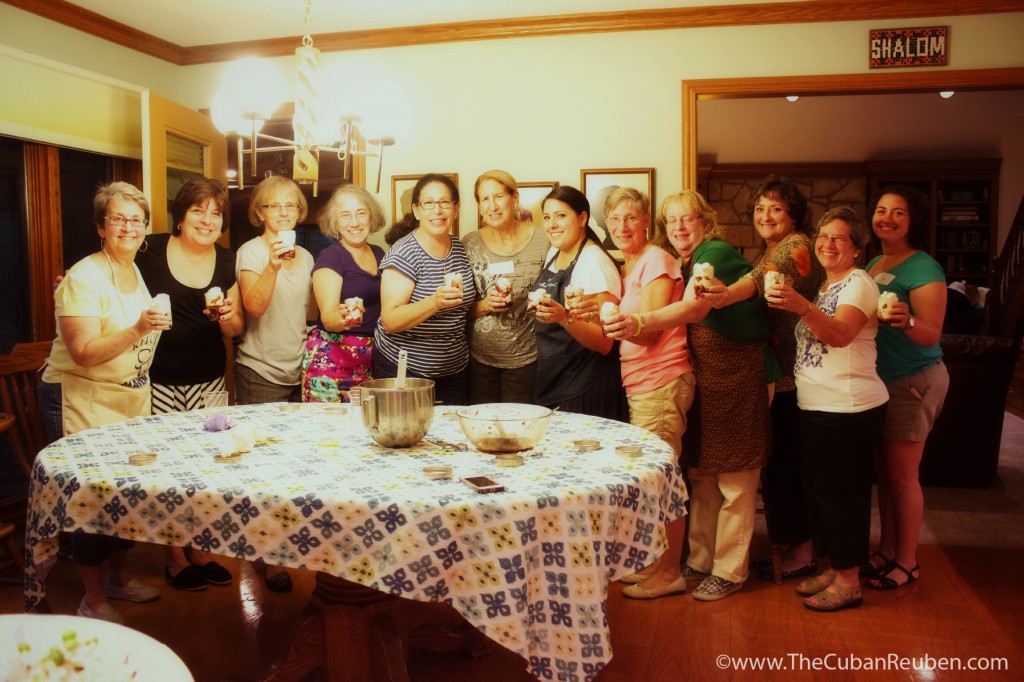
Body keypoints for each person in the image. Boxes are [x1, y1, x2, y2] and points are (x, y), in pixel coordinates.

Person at [607, 190, 771, 601]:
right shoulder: (682, 260)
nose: (680, 227)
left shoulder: (713, 253)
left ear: (706, 222)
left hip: (740, 377)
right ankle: (698, 562)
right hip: (709, 382)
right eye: (672, 220)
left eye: (688, 218)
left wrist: (638, 321)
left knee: (735, 477)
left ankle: (729, 571)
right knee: (701, 475)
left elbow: (695, 311)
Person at [37, 181, 170, 623]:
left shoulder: (135, 269)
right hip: (81, 395)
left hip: (125, 396)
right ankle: (91, 598)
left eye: (137, 219)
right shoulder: (83, 276)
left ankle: (118, 578)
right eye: (118, 219)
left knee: (123, 494)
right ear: (100, 226)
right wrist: (137, 329)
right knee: (91, 496)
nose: (128, 227)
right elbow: (83, 352)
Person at [766, 206, 889, 611]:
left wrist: (800, 306)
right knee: (819, 494)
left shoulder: (859, 283)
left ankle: (850, 581)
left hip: (849, 408)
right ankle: (835, 568)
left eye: (839, 238)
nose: (827, 244)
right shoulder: (826, 286)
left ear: (856, 247)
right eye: (823, 236)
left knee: (843, 497)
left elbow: (840, 335)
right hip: (817, 405)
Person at [703, 175, 825, 580]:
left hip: (796, 375)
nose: (765, 215)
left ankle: (803, 551)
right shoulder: (771, 247)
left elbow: (763, 279)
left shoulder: (797, 246)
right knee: (780, 464)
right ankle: (788, 545)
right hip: (782, 372)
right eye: (759, 208)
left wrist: (723, 295)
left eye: (775, 208)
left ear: (794, 216)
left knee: (791, 465)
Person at [136, 176, 243, 592]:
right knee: (169, 468)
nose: (207, 219)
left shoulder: (226, 260)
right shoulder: (149, 249)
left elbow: (234, 330)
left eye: (216, 213)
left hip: (210, 379)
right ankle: (174, 555)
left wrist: (227, 315)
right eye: (198, 210)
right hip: (158, 378)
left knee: (206, 466)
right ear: (180, 216)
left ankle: (201, 547)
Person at [598, 188, 694, 599]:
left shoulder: (656, 258)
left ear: (645, 221)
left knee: (663, 478)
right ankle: (655, 563)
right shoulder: (630, 265)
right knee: (650, 479)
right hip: (641, 382)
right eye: (615, 219)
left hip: (661, 378)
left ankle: (670, 571)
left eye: (631, 218)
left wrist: (618, 323)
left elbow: (650, 328)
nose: (622, 227)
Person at [863, 185, 949, 590]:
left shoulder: (924, 267)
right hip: (883, 382)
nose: (888, 218)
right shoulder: (877, 260)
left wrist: (906, 320)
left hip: (913, 380)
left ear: (913, 219)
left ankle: (908, 562)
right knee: (886, 471)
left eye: (899, 212)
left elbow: (931, 333)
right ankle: (886, 550)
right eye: (882, 210)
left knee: (902, 475)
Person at [236, 175, 314, 592]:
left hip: (300, 371)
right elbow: (254, 306)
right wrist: (272, 264)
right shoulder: (251, 252)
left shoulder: (307, 256)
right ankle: (263, 558)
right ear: (260, 213)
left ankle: (286, 548)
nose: (283, 212)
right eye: (273, 206)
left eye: (290, 205)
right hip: (260, 369)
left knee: (293, 467)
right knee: (261, 470)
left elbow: (311, 312)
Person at [374, 173, 475, 405]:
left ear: (456, 208)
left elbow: (462, 309)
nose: (437, 211)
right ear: (417, 210)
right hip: (407, 369)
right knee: (408, 436)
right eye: (428, 203)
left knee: (451, 438)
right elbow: (390, 320)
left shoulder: (458, 247)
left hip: (454, 369)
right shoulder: (404, 253)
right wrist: (434, 303)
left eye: (444, 202)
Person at [532, 185, 625, 420]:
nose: (552, 224)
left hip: (586, 383)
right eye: (547, 217)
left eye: (561, 216)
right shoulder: (555, 253)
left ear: (582, 217)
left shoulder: (594, 261)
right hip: (558, 378)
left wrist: (563, 317)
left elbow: (604, 341)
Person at [462, 170, 548, 404]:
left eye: (498, 196)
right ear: (479, 206)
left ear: (515, 198)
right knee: (484, 430)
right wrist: (485, 305)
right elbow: (456, 312)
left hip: (528, 357)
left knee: (521, 431)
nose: (493, 206)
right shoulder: (468, 243)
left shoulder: (544, 240)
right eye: (485, 199)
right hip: (479, 360)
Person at [301, 184, 386, 403]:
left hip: (371, 362)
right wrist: (347, 318)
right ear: (335, 222)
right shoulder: (330, 257)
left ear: (371, 217)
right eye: (345, 215)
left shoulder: (379, 254)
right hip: (332, 363)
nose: (355, 223)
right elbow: (329, 318)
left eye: (361, 213)